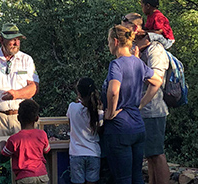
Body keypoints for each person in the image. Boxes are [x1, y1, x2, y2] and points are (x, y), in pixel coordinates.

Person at [102, 25, 163, 183]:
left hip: (119, 129)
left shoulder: (116, 64)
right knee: (137, 177)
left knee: (122, 178)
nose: (108, 45)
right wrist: (140, 105)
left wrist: (110, 111)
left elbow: (114, 90)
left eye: (108, 42)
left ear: (115, 41)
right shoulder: (138, 63)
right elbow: (157, 81)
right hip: (137, 127)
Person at [124, 13, 171, 184]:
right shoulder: (136, 48)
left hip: (154, 110)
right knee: (150, 155)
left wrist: (141, 104)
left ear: (135, 28)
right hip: (143, 111)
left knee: (157, 154)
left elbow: (156, 82)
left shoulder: (155, 49)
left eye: (125, 25)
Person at [0, 22, 39, 137]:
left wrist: (16, 94)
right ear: (1, 40)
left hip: (22, 119)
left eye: (18, 39)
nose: (15, 43)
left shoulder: (27, 60)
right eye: (11, 39)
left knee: (23, 154)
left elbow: (34, 87)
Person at [0, 99, 50, 184]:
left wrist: (1, 144)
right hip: (42, 175)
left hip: (24, 177)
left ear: (18, 118)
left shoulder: (14, 139)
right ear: (37, 118)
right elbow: (46, 150)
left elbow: (4, 153)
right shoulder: (42, 134)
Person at [66, 77, 103, 184]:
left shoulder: (72, 107)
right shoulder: (98, 111)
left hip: (76, 152)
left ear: (79, 93)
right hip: (94, 152)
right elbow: (100, 127)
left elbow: (69, 120)